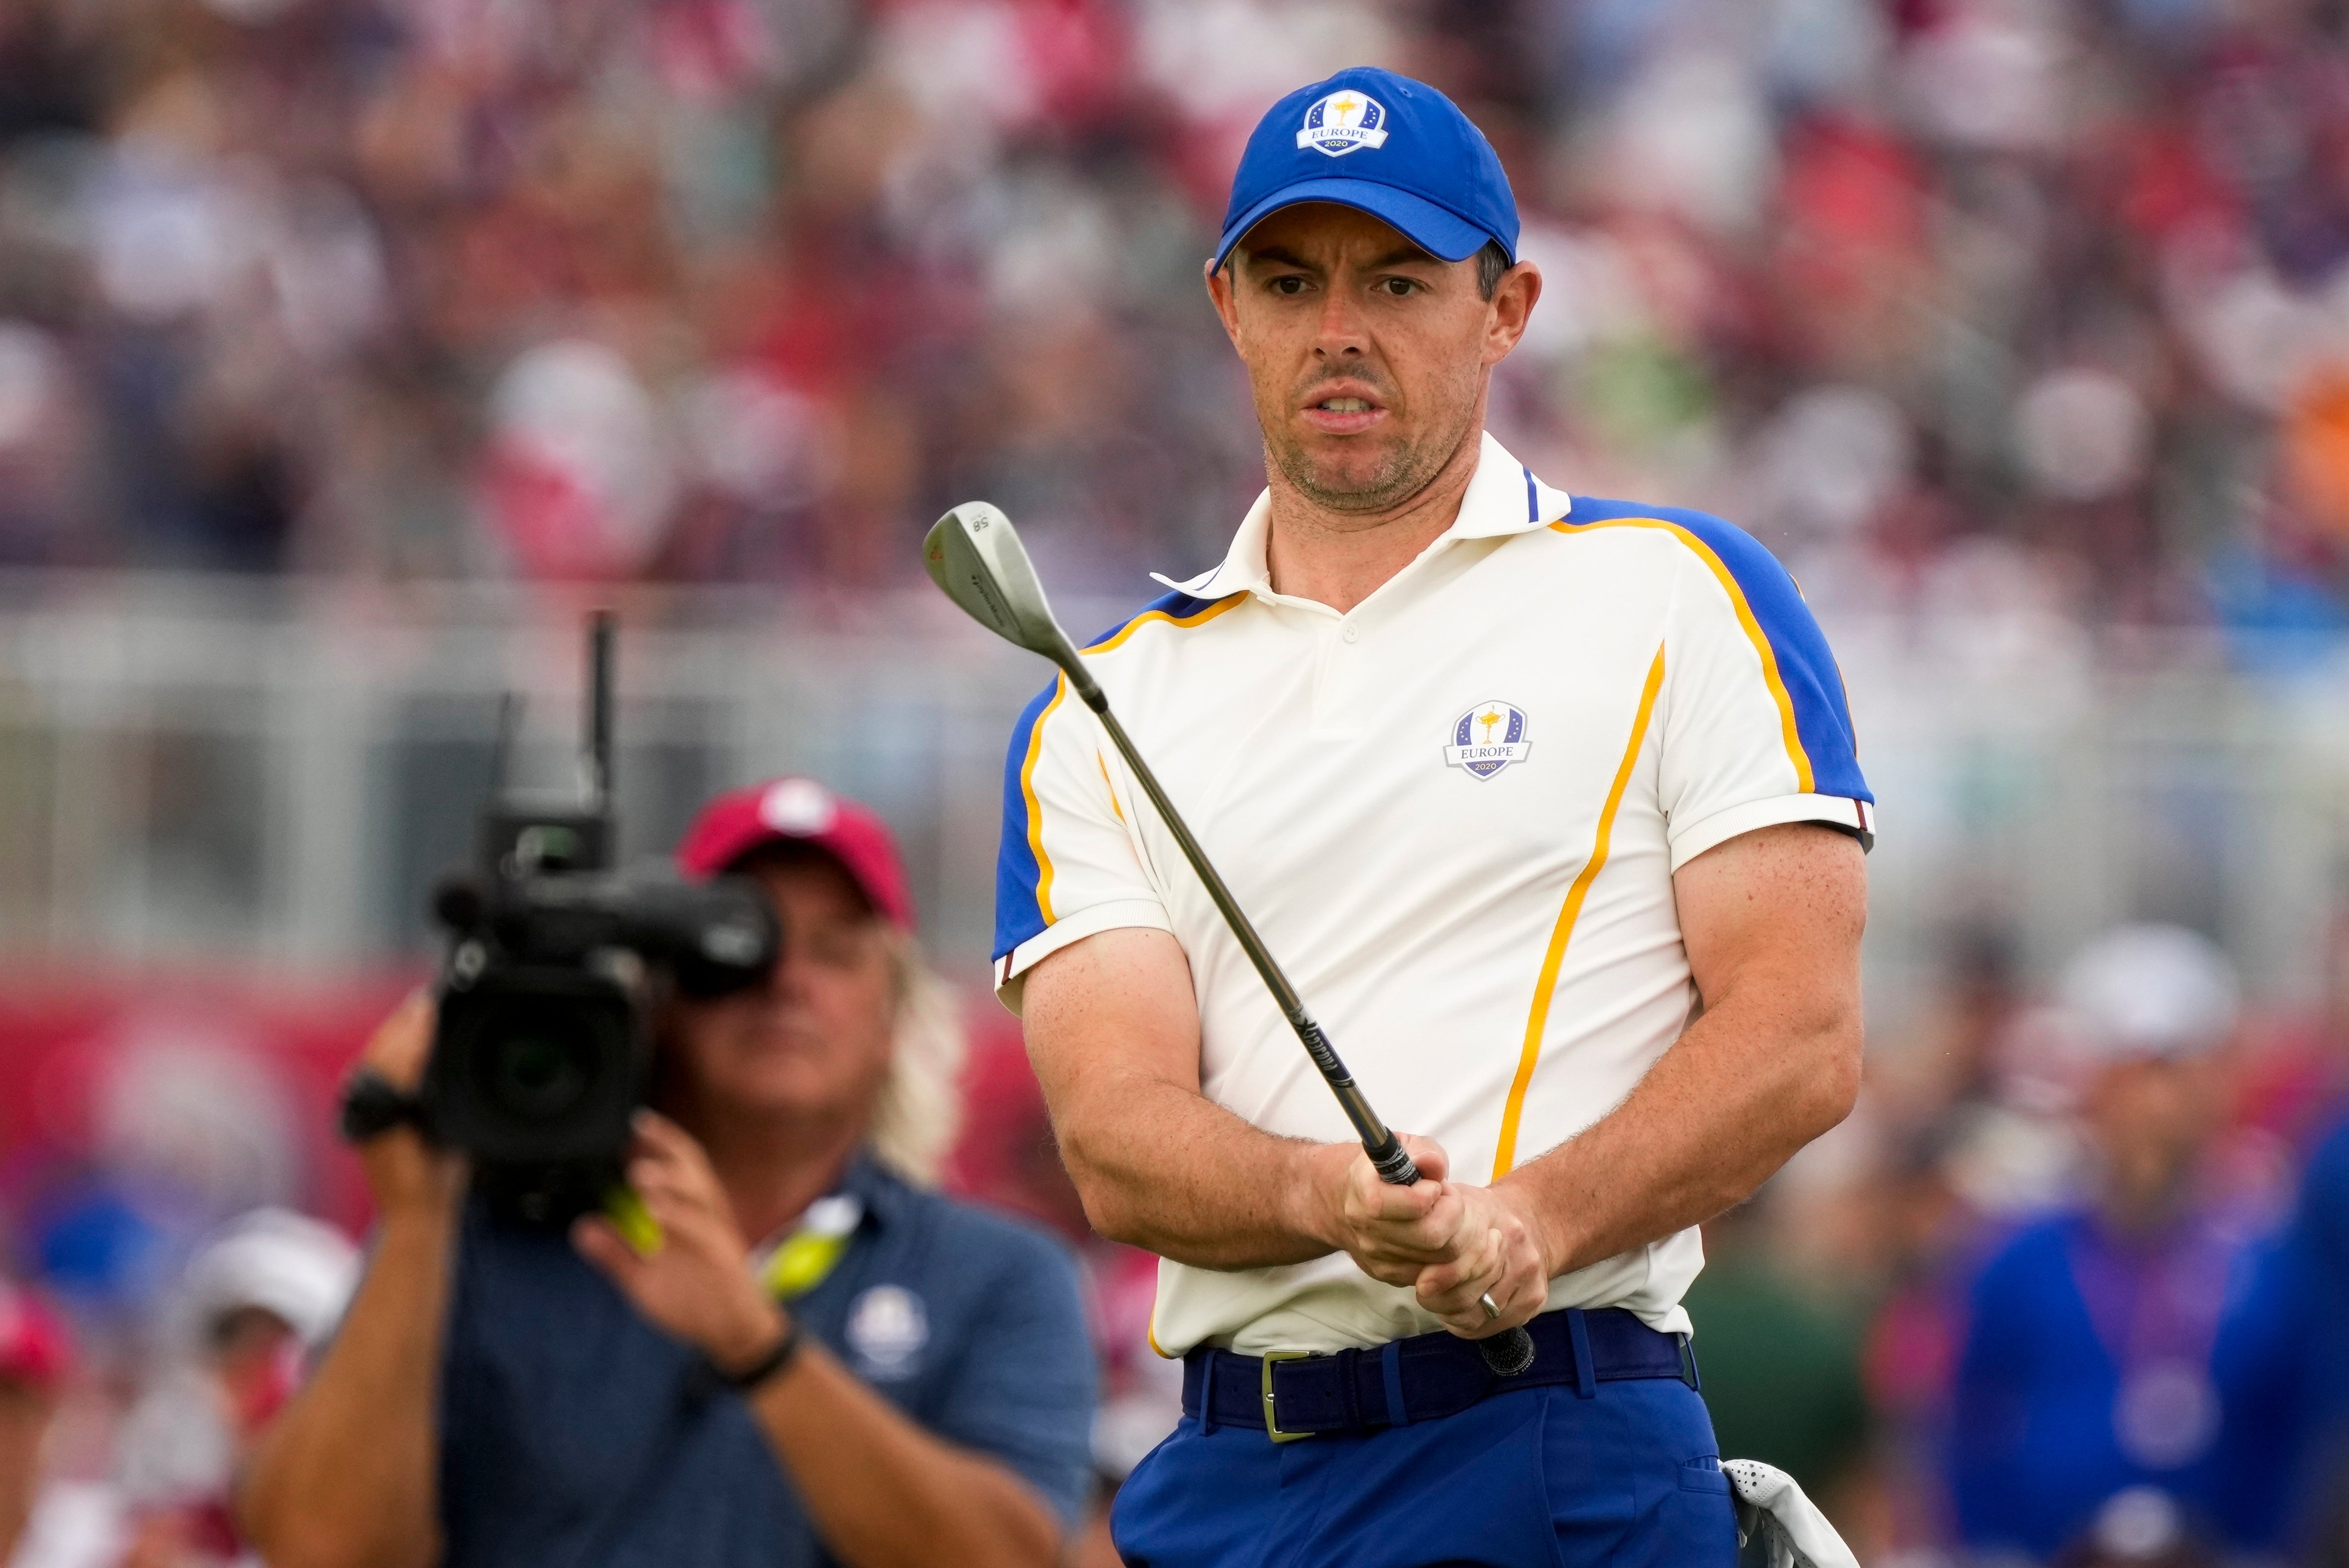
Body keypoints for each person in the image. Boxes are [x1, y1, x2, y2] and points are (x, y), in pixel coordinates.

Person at [992, 67, 1873, 1565]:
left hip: (1556, 1436)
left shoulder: (1682, 595)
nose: (1340, 329)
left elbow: (1798, 1035)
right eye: (1291, 281)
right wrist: (1326, 1195)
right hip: (1227, 1473)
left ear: (1506, 306)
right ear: (1228, 307)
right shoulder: (1100, 701)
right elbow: (1116, 1140)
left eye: (1399, 280)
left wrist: (1539, 1216)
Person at [237, 777, 1096, 1568]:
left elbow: (1009, 1556)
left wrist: (750, 1338)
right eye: (737, 945)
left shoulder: (1001, 1278)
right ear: (656, 999)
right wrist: (418, 1220)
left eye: (835, 952)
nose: (786, 981)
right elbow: (321, 1548)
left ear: (895, 1017)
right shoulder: (483, 1237)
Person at [1947, 924, 2279, 1558]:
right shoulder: (2015, 1260)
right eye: (2132, 1079)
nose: (2154, 1108)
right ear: (2092, 1089)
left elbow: (2292, 1431)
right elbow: (1965, 1430)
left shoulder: (2266, 1260)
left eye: (2176, 1079)